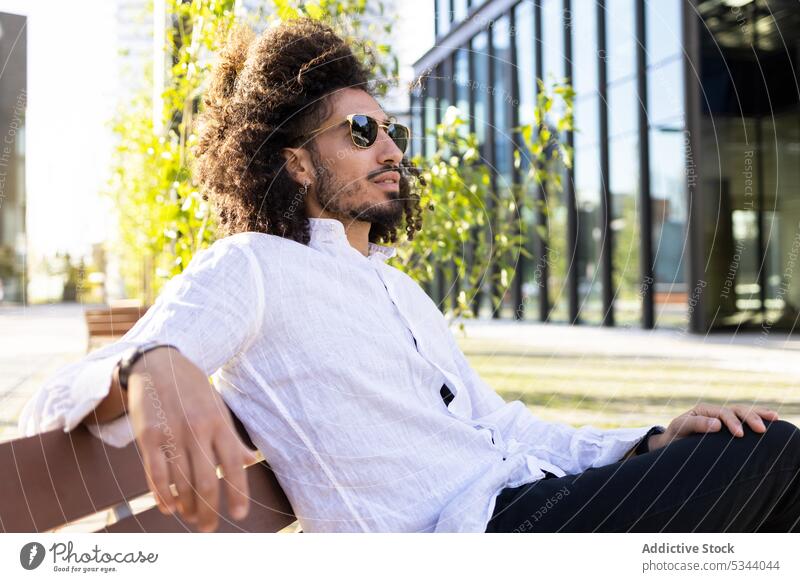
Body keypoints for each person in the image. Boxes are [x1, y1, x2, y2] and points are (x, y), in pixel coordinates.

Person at [18, 18, 800, 534]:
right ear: (295, 161)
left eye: (392, 128)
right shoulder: (254, 268)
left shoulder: (399, 289)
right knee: (775, 457)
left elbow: (512, 429)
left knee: (762, 445)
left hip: (528, 503)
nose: (391, 148)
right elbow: (54, 403)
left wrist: (650, 441)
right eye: (361, 131)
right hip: (472, 540)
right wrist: (149, 360)